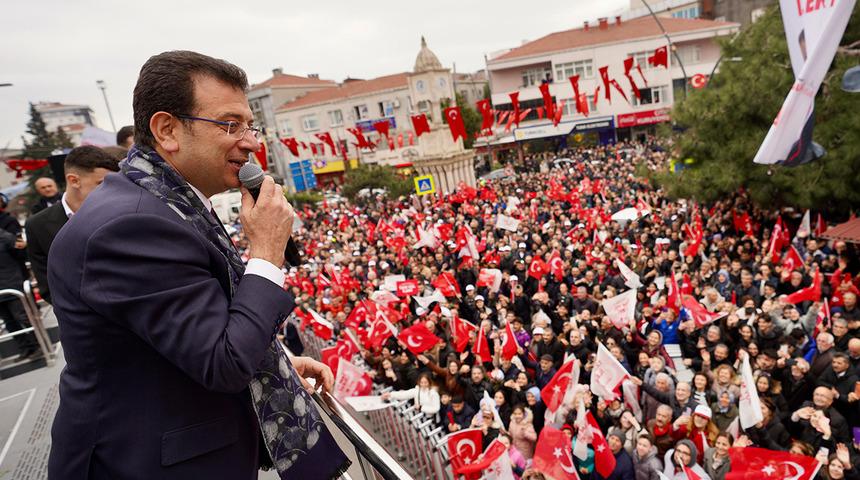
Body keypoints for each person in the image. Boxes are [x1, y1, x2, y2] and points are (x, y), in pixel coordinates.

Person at [47, 51, 340, 480]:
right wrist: (266, 252)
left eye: (250, 126)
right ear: (167, 130)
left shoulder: (164, 202)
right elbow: (223, 362)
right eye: (230, 125)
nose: (251, 143)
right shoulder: (132, 225)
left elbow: (183, 336)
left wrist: (270, 364)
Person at [25, 146, 120, 304]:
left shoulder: (122, 211)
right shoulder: (37, 225)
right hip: (81, 315)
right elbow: (47, 285)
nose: (112, 190)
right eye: (102, 183)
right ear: (74, 180)